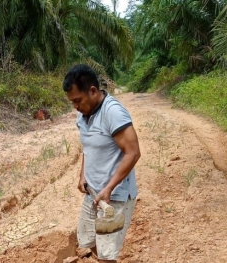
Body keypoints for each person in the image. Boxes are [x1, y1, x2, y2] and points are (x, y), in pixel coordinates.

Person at [62, 64, 141, 263]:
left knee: (107, 256)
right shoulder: (83, 114)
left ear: (93, 91)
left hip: (114, 199)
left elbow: (133, 153)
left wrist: (109, 188)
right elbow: (89, 148)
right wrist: (83, 175)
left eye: (77, 100)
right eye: (72, 102)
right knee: (85, 246)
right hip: (93, 194)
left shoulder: (112, 112)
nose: (75, 107)